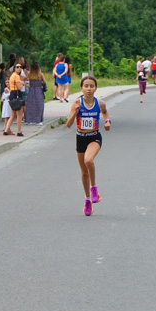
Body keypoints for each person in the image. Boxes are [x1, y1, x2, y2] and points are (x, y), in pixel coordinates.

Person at [66, 76, 111, 216]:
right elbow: (68, 125)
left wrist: (107, 121)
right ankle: (87, 200)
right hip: (80, 138)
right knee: (84, 172)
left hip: (94, 137)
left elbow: (104, 112)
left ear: (95, 88)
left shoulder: (100, 103)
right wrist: (75, 112)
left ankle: (94, 188)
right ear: (81, 88)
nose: (89, 89)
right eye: (86, 86)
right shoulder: (76, 103)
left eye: (92, 86)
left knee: (88, 160)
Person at [4, 62, 25, 136]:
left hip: (12, 94)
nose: (19, 68)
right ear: (14, 68)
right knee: (19, 114)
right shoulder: (16, 76)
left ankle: (6, 130)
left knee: (13, 114)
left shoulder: (12, 75)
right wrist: (22, 83)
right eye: (17, 67)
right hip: (17, 94)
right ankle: (19, 131)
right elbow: (19, 87)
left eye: (20, 67)